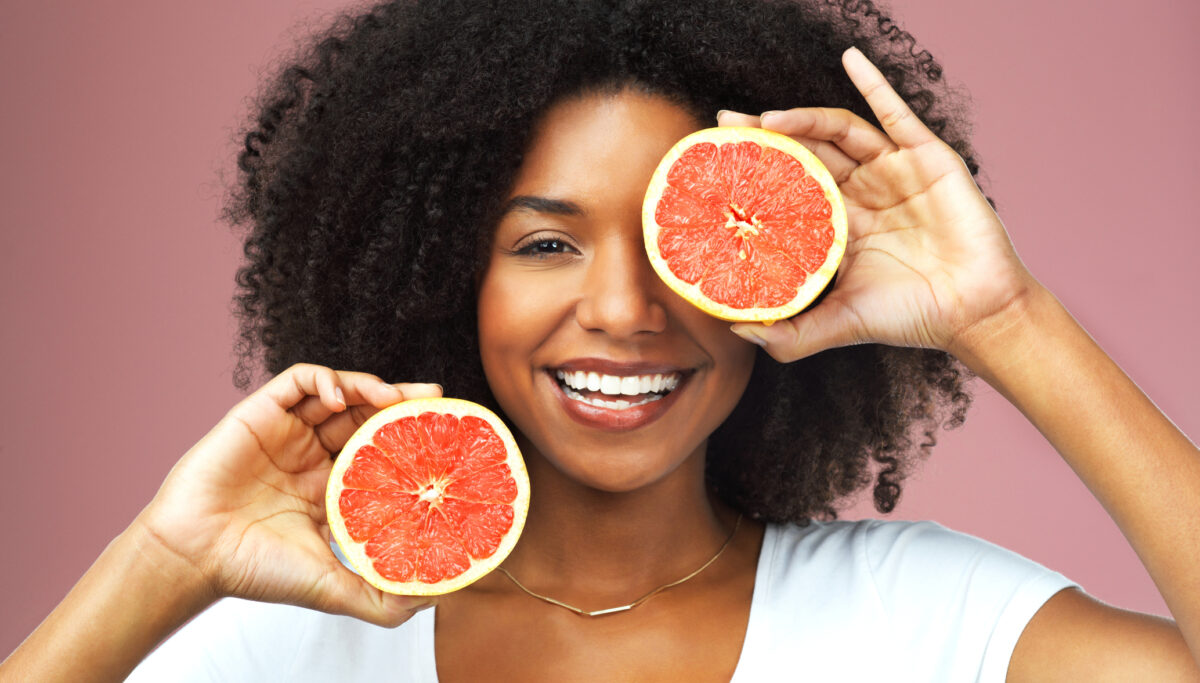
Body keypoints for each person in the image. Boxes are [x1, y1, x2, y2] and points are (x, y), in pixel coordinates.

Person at [2, 0, 1197, 680]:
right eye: (545, 244)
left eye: (681, 240)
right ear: (438, 280)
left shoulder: (923, 624)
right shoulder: (282, 643)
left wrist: (1006, 319)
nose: (626, 309)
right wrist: (161, 556)